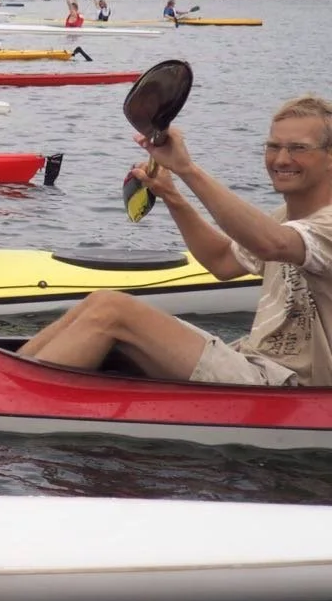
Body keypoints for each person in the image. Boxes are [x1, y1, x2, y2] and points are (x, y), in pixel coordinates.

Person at [19, 96, 332, 386]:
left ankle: (9, 398)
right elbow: (222, 260)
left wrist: (187, 169)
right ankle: (6, 378)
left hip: (296, 388)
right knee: (100, 301)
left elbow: (273, 244)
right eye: (273, 146)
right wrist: (171, 194)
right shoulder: (283, 219)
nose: (281, 158)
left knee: (113, 311)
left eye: (298, 148)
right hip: (253, 362)